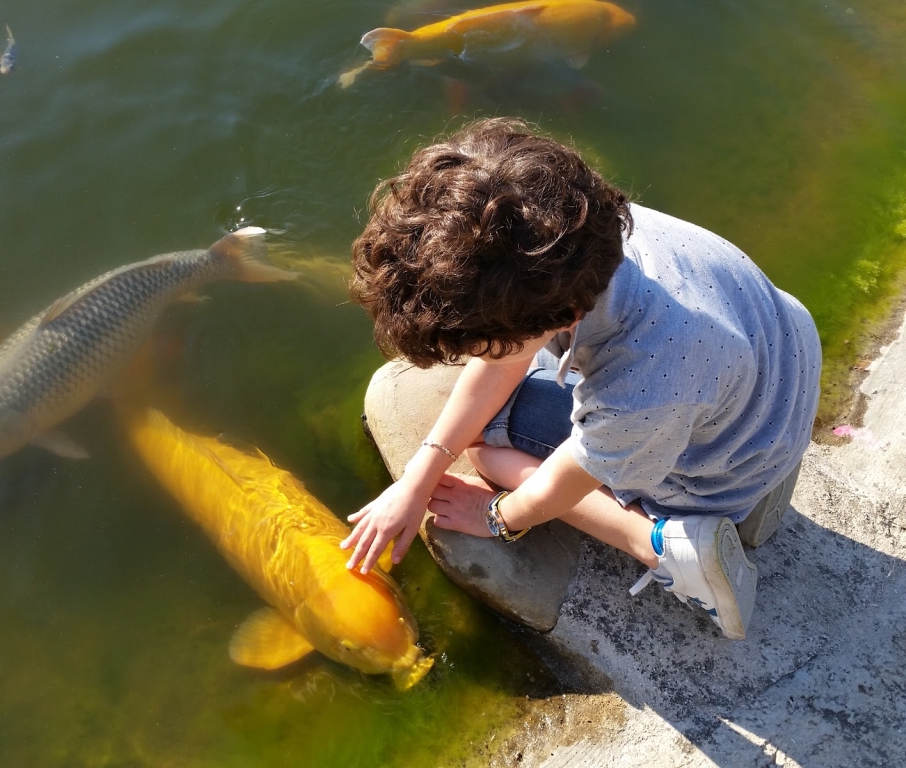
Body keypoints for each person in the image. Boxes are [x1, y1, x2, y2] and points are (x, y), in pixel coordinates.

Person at [339, 118, 821, 640]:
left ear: (566, 314)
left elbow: (562, 479)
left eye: (483, 346)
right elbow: (511, 355)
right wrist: (418, 478)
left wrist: (498, 515)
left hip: (727, 466)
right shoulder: (580, 227)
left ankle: (662, 544)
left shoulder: (641, 381)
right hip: (775, 375)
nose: (469, 356)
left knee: (483, 447)